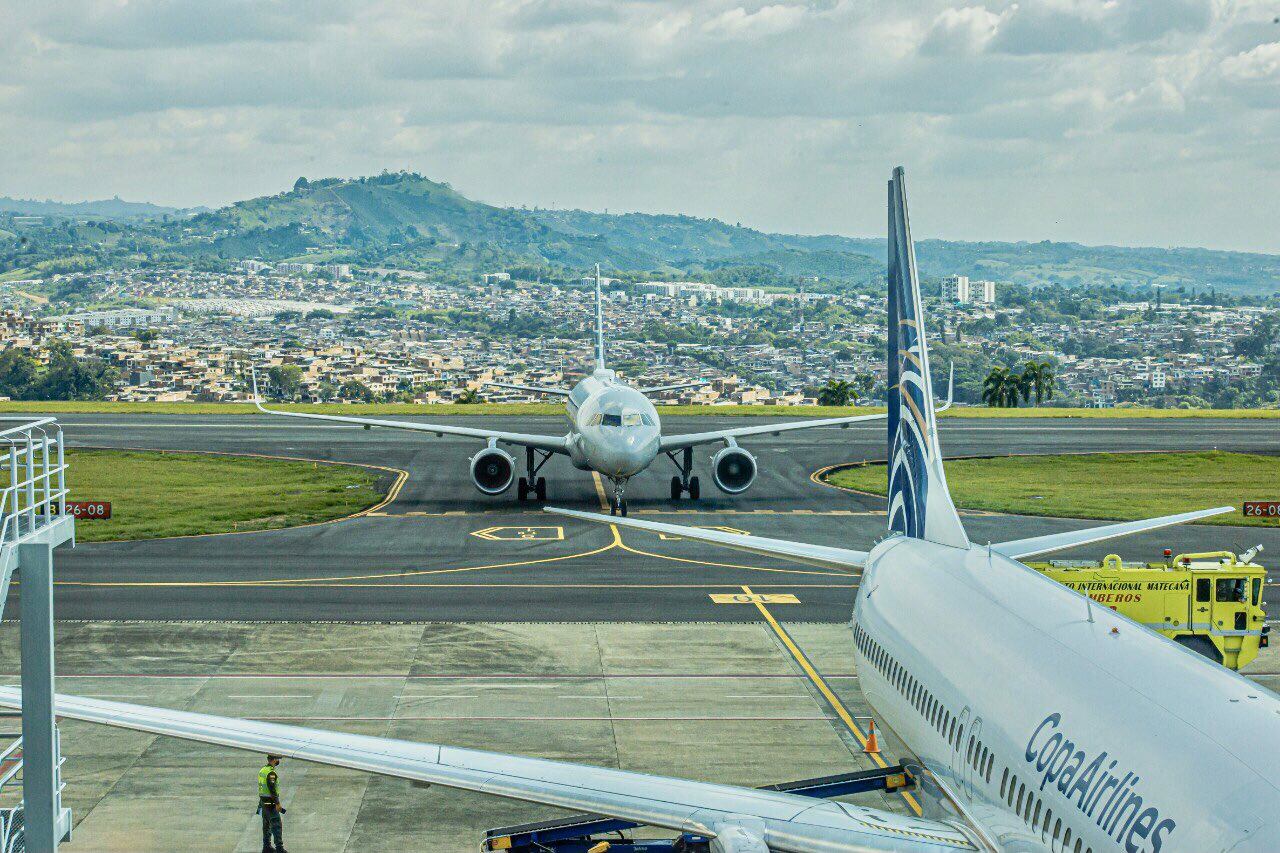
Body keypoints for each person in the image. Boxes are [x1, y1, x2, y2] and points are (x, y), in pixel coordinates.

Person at [258, 754, 288, 853]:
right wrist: (277, 803)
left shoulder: (263, 770)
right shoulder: (271, 773)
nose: (278, 760)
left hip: (263, 801)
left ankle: (266, 846)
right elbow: (272, 789)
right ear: (274, 760)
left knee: (266, 824)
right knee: (276, 824)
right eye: (278, 759)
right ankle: (279, 848)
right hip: (270, 802)